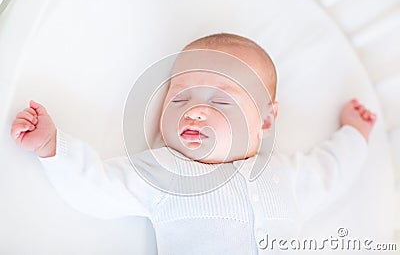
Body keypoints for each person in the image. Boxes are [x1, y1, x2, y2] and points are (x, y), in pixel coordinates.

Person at [10, 33, 376, 254]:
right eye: (180, 99)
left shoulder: (285, 175)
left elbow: (332, 170)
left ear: (265, 120)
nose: (196, 112)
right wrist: (53, 146)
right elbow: (99, 187)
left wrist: (354, 135)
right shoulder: (164, 170)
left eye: (220, 102)